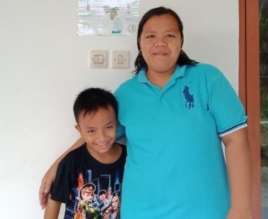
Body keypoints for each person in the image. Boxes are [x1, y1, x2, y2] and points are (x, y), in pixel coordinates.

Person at [40, 7, 252, 219]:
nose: (160, 43)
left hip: (206, 211)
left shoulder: (207, 79)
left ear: (181, 41)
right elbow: (99, 133)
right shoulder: (126, 94)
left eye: (170, 35)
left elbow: (236, 141)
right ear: (140, 43)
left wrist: (241, 209)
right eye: (151, 36)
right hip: (140, 212)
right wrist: (57, 167)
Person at [44, 88, 126, 219]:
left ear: (117, 123)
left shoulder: (128, 158)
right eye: (91, 131)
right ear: (79, 130)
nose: (102, 137)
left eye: (109, 127)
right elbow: (54, 200)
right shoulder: (72, 161)